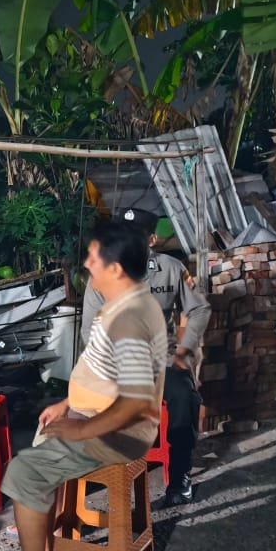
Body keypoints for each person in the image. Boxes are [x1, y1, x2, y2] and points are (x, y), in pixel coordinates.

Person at [0, 221, 167, 551]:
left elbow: (135, 401)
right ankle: (39, 528)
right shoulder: (121, 305)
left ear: (116, 268)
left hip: (120, 432)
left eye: (94, 258)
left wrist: (81, 430)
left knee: (23, 470)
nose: (86, 264)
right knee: (45, 433)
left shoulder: (130, 319)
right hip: (99, 416)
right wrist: (68, 404)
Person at [81, 208, 210, 506]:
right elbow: (90, 330)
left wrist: (185, 350)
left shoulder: (171, 269)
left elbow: (199, 308)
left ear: (151, 240)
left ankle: (180, 476)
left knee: (184, 397)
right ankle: (97, 477)